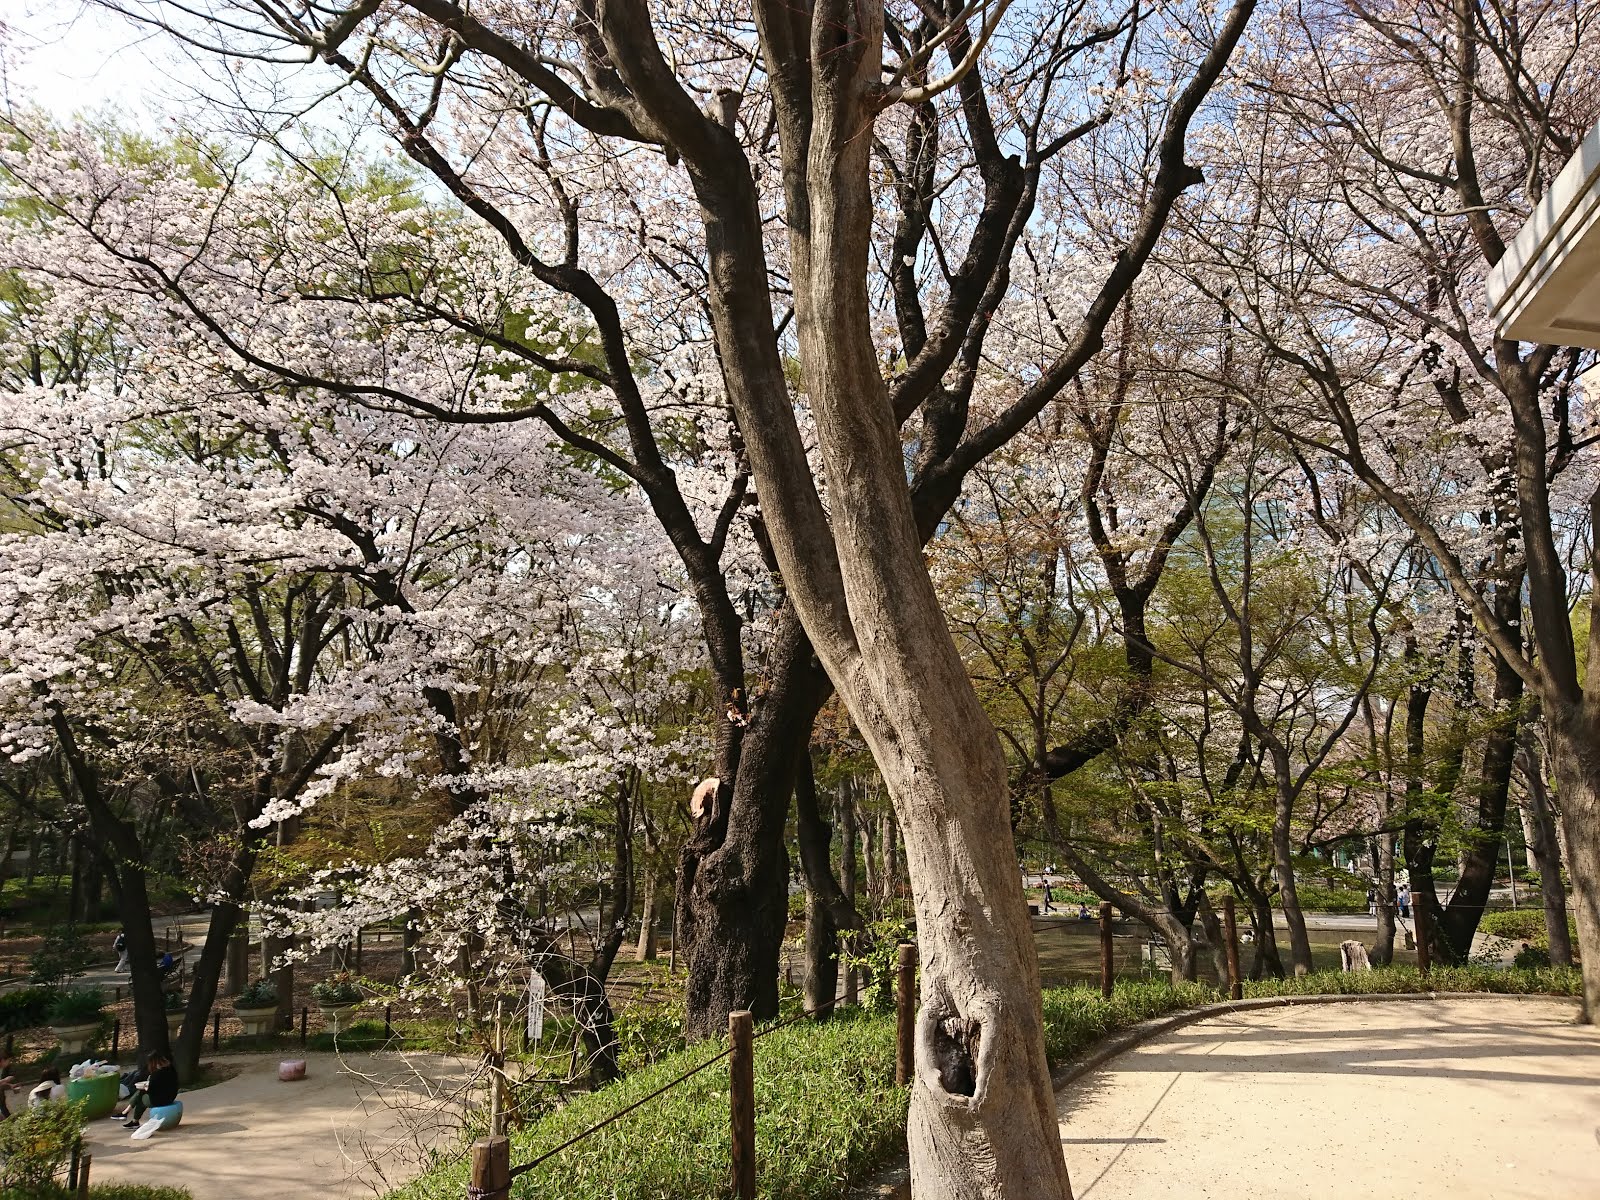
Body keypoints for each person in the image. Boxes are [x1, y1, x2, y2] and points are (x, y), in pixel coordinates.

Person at [125, 1053, 177, 1129]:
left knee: (141, 1096)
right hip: (171, 1097)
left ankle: (132, 1118)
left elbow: (151, 1089)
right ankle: (127, 1113)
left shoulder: (156, 1073)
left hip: (160, 1100)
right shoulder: (171, 1069)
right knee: (141, 1093)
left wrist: (145, 1088)